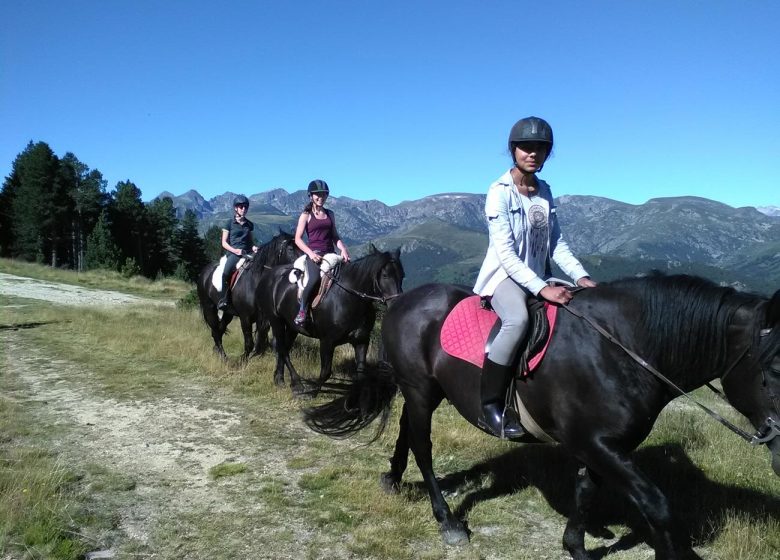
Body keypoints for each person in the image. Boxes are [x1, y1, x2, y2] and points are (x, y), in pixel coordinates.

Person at [473, 116, 597, 438]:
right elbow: (507, 254)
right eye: (526, 147)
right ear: (513, 150)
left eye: (541, 148)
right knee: (517, 321)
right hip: (504, 276)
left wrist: (580, 276)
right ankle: (491, 407)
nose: (533, 153)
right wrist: (543, 289)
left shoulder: (545, 191)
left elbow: (556, 242)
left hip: (539, 274)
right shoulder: (498, 192)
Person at [293, 179, 351, 326]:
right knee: (313, 279)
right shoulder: (306, 215)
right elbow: (298, 239)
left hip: (331, 254)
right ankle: (302, 311)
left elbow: (335, 236)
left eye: (324, 194)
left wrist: (343, 249)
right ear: (311, 196)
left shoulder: (330, 214)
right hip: (315, 255)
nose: (321, 197)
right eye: (317, 194)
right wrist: (311, 254)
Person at [218, 195, 258, 310]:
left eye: (245, 207)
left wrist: (254, 247)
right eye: (241, 207)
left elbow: (250, 241)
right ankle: (224, 299)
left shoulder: (249, 225)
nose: (243, 209)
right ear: (236, 208)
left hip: (247, 252)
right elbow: (224, 243)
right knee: (225, 272)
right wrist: (235, 250)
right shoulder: (229, 223)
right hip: (234, 253)